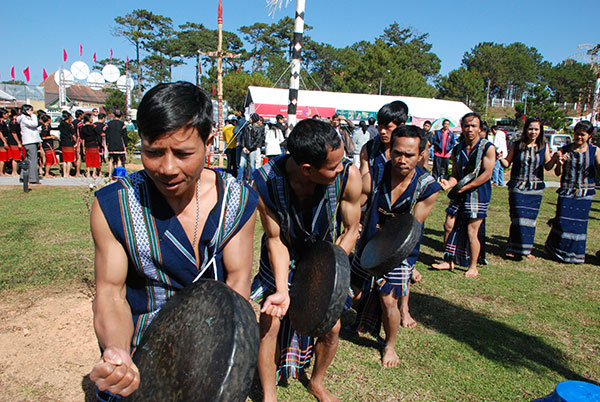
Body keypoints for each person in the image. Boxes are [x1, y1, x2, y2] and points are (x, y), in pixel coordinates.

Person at [89, 81, 258, 400]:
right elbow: (111, 293)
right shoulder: (115, 206)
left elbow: (237, 281)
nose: (167, 168)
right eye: (153, 152)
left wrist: (218, 352)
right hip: (142, 356)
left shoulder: (238, 202)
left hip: (208, 354)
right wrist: (117, 350)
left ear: (209, 142)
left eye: (183, 154)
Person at [251, 118, 361, 402]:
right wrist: (282, 290)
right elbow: (275, 240)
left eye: (341, 162)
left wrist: (328, 274)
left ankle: (317, 382)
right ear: (308, 170)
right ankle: (269, 394)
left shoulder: (350, 175)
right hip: (282, 254)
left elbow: (350, 230)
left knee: (332, 326)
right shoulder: (263, 181)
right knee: (271, 322)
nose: (341, 169)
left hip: (327, 255)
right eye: (333, 167)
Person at [351, 125, 441, 367]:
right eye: (397, 152)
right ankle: (365, 319)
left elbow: (413, 227)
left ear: (421, 154)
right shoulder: (378, 172)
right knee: (355, 292)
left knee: (389, 299)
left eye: (409, 155)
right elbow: (358, 200)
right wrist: (354, 224)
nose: (402, 160)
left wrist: (410, 266)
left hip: (401, 250)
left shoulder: (428, 187)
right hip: (368, 242)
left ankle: (389, 345)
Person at [431, 112, 496, 277]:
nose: (470, 129)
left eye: (473, 125)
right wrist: (449, 183)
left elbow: (486, 174)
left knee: (471, 231)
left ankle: (473, 266)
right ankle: (449, 260)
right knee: (448, 225)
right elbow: (456, 175)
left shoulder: (488, 147)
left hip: (478, 194)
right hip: (460, 192)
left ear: (480, 128)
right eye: (466, 125)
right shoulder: (457, 149)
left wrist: (466, 187)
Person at [544, 120, 600, 264]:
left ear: (588, 136)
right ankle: (557, 251)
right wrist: (559, 162)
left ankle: (575, 254)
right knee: (562, 222)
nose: (579, 137)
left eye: (582, 135)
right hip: (566, 191)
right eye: (576, 134)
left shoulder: (595, 151)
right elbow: (557, 173)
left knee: (578, 226)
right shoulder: (565, 149)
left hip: (584, 194)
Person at [499, 117, 553, 259]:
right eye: (530, 129)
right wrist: (500, 158)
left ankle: (526, 250)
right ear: (525, 130)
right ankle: (513, 248)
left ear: (540, 131)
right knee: (517, 218)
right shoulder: (516, 145)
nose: (533, 132)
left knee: (530, 220)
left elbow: (548, 166)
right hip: (518, 187)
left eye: (536, 129)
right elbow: (507, 163)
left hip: (535, 188)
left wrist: (556, 160)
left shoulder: (543, 146)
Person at [18, 105, 42, 184]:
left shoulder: (25, 118)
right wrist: (33, 116)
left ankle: (23, 176)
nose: (32, 112)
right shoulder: (24, 119)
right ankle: (33, 178)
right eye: (31, 110)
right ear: (26, 111)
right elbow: (34, 124)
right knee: (33, 160)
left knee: (27, 159)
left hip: (30, 140)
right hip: (30, 141)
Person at [237, 113, 264, 182]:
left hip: (252, 149)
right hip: (245, 148)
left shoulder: (258, 129)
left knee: (252, 165)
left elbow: (257, 140)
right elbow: (242, 137)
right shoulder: (246, 127)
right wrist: (243, 147)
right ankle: (239, 179)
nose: (249, 119)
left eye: (251, 118)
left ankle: (251, 179)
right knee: (241, 164)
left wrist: (250, 148)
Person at [106, 110, 127, 176]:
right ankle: (118, 174)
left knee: (110, 159)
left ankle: (109, 174)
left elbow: (107, 135)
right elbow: (124, 136)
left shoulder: (108, 124)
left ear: (114, 115)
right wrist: (125, 145)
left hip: (111, 143)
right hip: (119, 143)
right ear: (121, 116)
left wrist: (107, 143)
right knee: (119, 159)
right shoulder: (122, 124)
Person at [81, 113, 102, 178]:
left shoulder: (83, 128)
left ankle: (88, 172)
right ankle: (93, 173)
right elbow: (100, 133)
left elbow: (82, 139)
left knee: (88, 159)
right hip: (94, 144)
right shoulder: (93, 127)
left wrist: (83, 147)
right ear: (89, 119)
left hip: (87, 145)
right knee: (95, 159)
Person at [58, 111, 76, 177]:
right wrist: (76, 142)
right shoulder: (69, 126)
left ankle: (64, 173)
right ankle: (68, 173)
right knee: (69, 159)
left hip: (62, 142)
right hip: (69, 142)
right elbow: (73, 135)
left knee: (64, 159)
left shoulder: (61, 125)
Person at [8, 109, 24, 177]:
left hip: (15, 140)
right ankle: (14, 171)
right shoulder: (14, 122)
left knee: (17, 157)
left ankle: (15, 171)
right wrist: (18, 142)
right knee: (15, 157)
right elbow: (14, 133)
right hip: (14, 142)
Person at [0, 108, 10, 175]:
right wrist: (4, 142)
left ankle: (4, 171)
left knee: (5, 157)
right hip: (2, 141)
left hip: (5, 139)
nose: (7, 115)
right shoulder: (0, 122)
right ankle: (1, 172)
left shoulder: (4, 122)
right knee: (2, 157)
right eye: (5, 114)